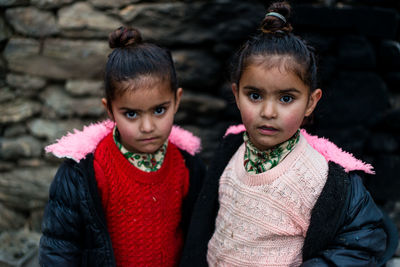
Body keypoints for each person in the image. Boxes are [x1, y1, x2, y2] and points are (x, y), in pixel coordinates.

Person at [180, 2, 397, 266]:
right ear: (236, 94)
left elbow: (365, 239)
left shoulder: (321, 178)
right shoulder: (232, 148)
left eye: (286, 98)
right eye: (255, 95)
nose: (268, 111)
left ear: (310, 102)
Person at [39, 26, 205, 266]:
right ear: (110, 110)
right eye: (131, 114)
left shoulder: (188, 166)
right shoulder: (85, 174)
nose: (147, 126)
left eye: (159, 110)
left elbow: (200, 236)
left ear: (177, 100)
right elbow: (59, 247)